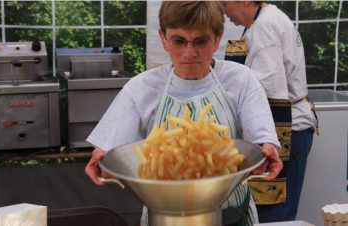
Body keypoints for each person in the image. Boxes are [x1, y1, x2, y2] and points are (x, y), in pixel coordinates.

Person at [85, 2, 283, 226]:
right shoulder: (141, 87)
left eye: (201, 41)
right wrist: (102, 158)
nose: (189, 53)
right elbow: (111, 151)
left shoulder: (241, 80)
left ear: (217, 39)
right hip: (163, 219)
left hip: (233, 218)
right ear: (164, 39)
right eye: (179, 41)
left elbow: (261, 140)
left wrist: (266, 150)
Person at [221, 1, 319, 223]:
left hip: (283, 130)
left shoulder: (265, 26)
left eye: (225, 3)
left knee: (273, 215)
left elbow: (267, 90)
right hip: (293, 126)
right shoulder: (262, 21)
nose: (224, 11)